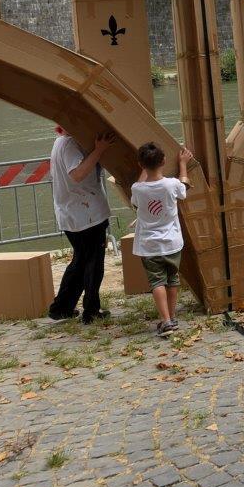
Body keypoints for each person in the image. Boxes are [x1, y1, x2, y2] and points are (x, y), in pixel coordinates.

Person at [47, 128, 115, 324]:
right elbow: (77, 174)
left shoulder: (62, 141)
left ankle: (61, 307)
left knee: (81, 261)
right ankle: (91, 311)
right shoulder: (69, 144)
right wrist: (99, 150)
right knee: (93, 264)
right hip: (85, 215)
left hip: (77, 213)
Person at [130, 142, 193, 336]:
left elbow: (136, 200)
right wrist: (183, 163)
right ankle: (171, 318)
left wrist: (143, 169)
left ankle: (165, 321)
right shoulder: (171, 184)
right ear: (164, 161)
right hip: (172, 243)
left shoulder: (137, 189)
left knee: (157, 282)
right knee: (172, 280)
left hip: (149, 246)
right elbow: (184, 187)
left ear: (141, 165)